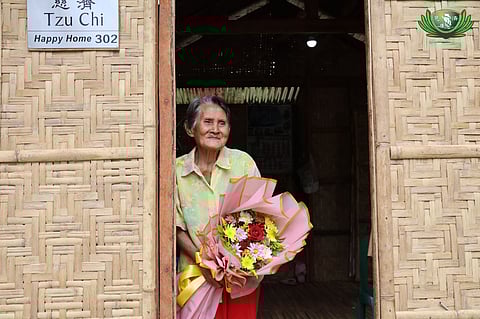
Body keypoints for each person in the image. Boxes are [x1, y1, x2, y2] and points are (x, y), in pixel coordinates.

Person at [175, 96, 262, 319]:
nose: (215, 129)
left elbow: (261, 217)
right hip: (195, 277)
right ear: (189, 128)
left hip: (240, 278)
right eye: (208, 122)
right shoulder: (176, 171)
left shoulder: (243, 164)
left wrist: (236, 262)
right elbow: (175, 226)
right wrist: (204, 262)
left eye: (222, 123)